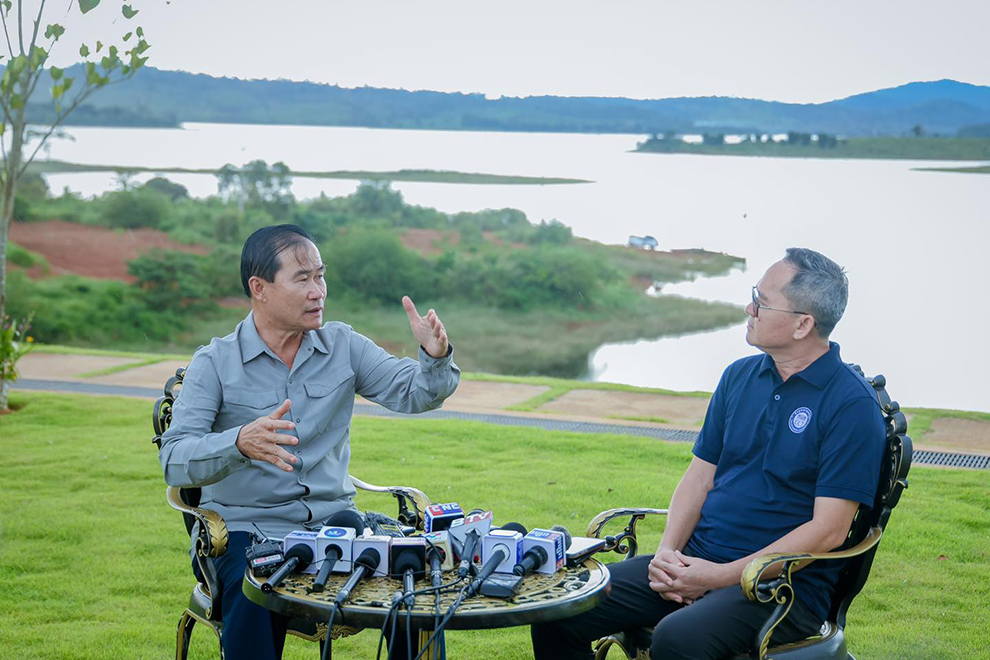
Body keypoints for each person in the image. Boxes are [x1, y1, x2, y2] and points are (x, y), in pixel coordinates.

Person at [531, 248, 885, 660]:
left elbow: (829, 530)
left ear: (803, 324)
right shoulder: (739, 376)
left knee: (678, 638)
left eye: (762, 301)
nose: (749, 307)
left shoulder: (850, 405)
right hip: (696, 562)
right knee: (559, 608)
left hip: (781, 589)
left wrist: (718, 577)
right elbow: (699, 477)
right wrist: (668, 554)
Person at [159, 224, 460, 660]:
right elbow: (174, 460)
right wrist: (239, 442)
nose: (318, 290)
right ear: (259, 288)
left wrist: (434, 357)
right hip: (247, 530)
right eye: (302, 279)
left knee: (415, 584)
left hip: (338, 524)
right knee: (253, 592)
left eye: (320, 276)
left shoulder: (344, 345)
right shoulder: (215, 363)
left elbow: (414, 392)